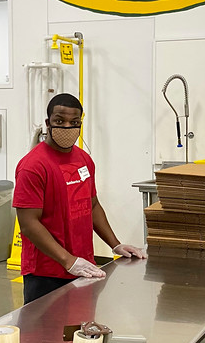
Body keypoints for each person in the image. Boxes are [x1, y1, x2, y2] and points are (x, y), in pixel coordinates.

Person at [13, 93, 147, 304]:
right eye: (60, 121)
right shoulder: (33, 166)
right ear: (48, 123)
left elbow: (92, 205)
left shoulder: (84, 160)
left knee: (79, 330)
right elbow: (29, 223)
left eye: (74, 122)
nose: (67, 127)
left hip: (83, 265)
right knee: (45, 333)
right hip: (46, 273)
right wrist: (68, 260)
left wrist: (115, 245)